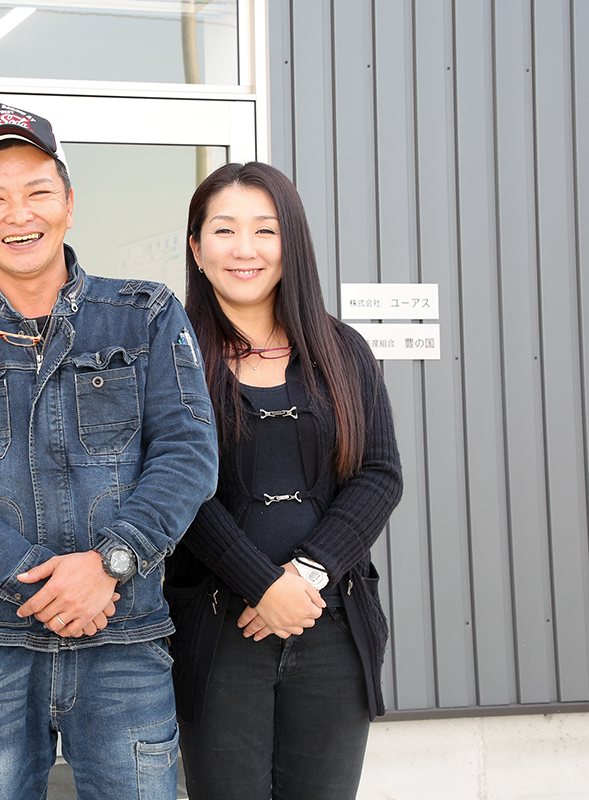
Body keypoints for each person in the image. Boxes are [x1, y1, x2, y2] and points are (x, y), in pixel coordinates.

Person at [0, 103, 218, 800]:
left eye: (37, 190)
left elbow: (188, 455)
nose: (19, 214)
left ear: (69, 203)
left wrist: (110, 564)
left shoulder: (145, 314)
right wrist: (43, 583)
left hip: (125, 636)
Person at [164, 162, 403, 800]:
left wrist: (305, 575)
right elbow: (171, 485)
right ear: (196, 248)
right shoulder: (170, 354)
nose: (244, 249)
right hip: (219, 629)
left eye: (264, 230)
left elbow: (379, 474)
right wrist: (261, 584)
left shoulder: (342, 349)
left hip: (330, 624)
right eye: (224, 230)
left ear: (290, 243)